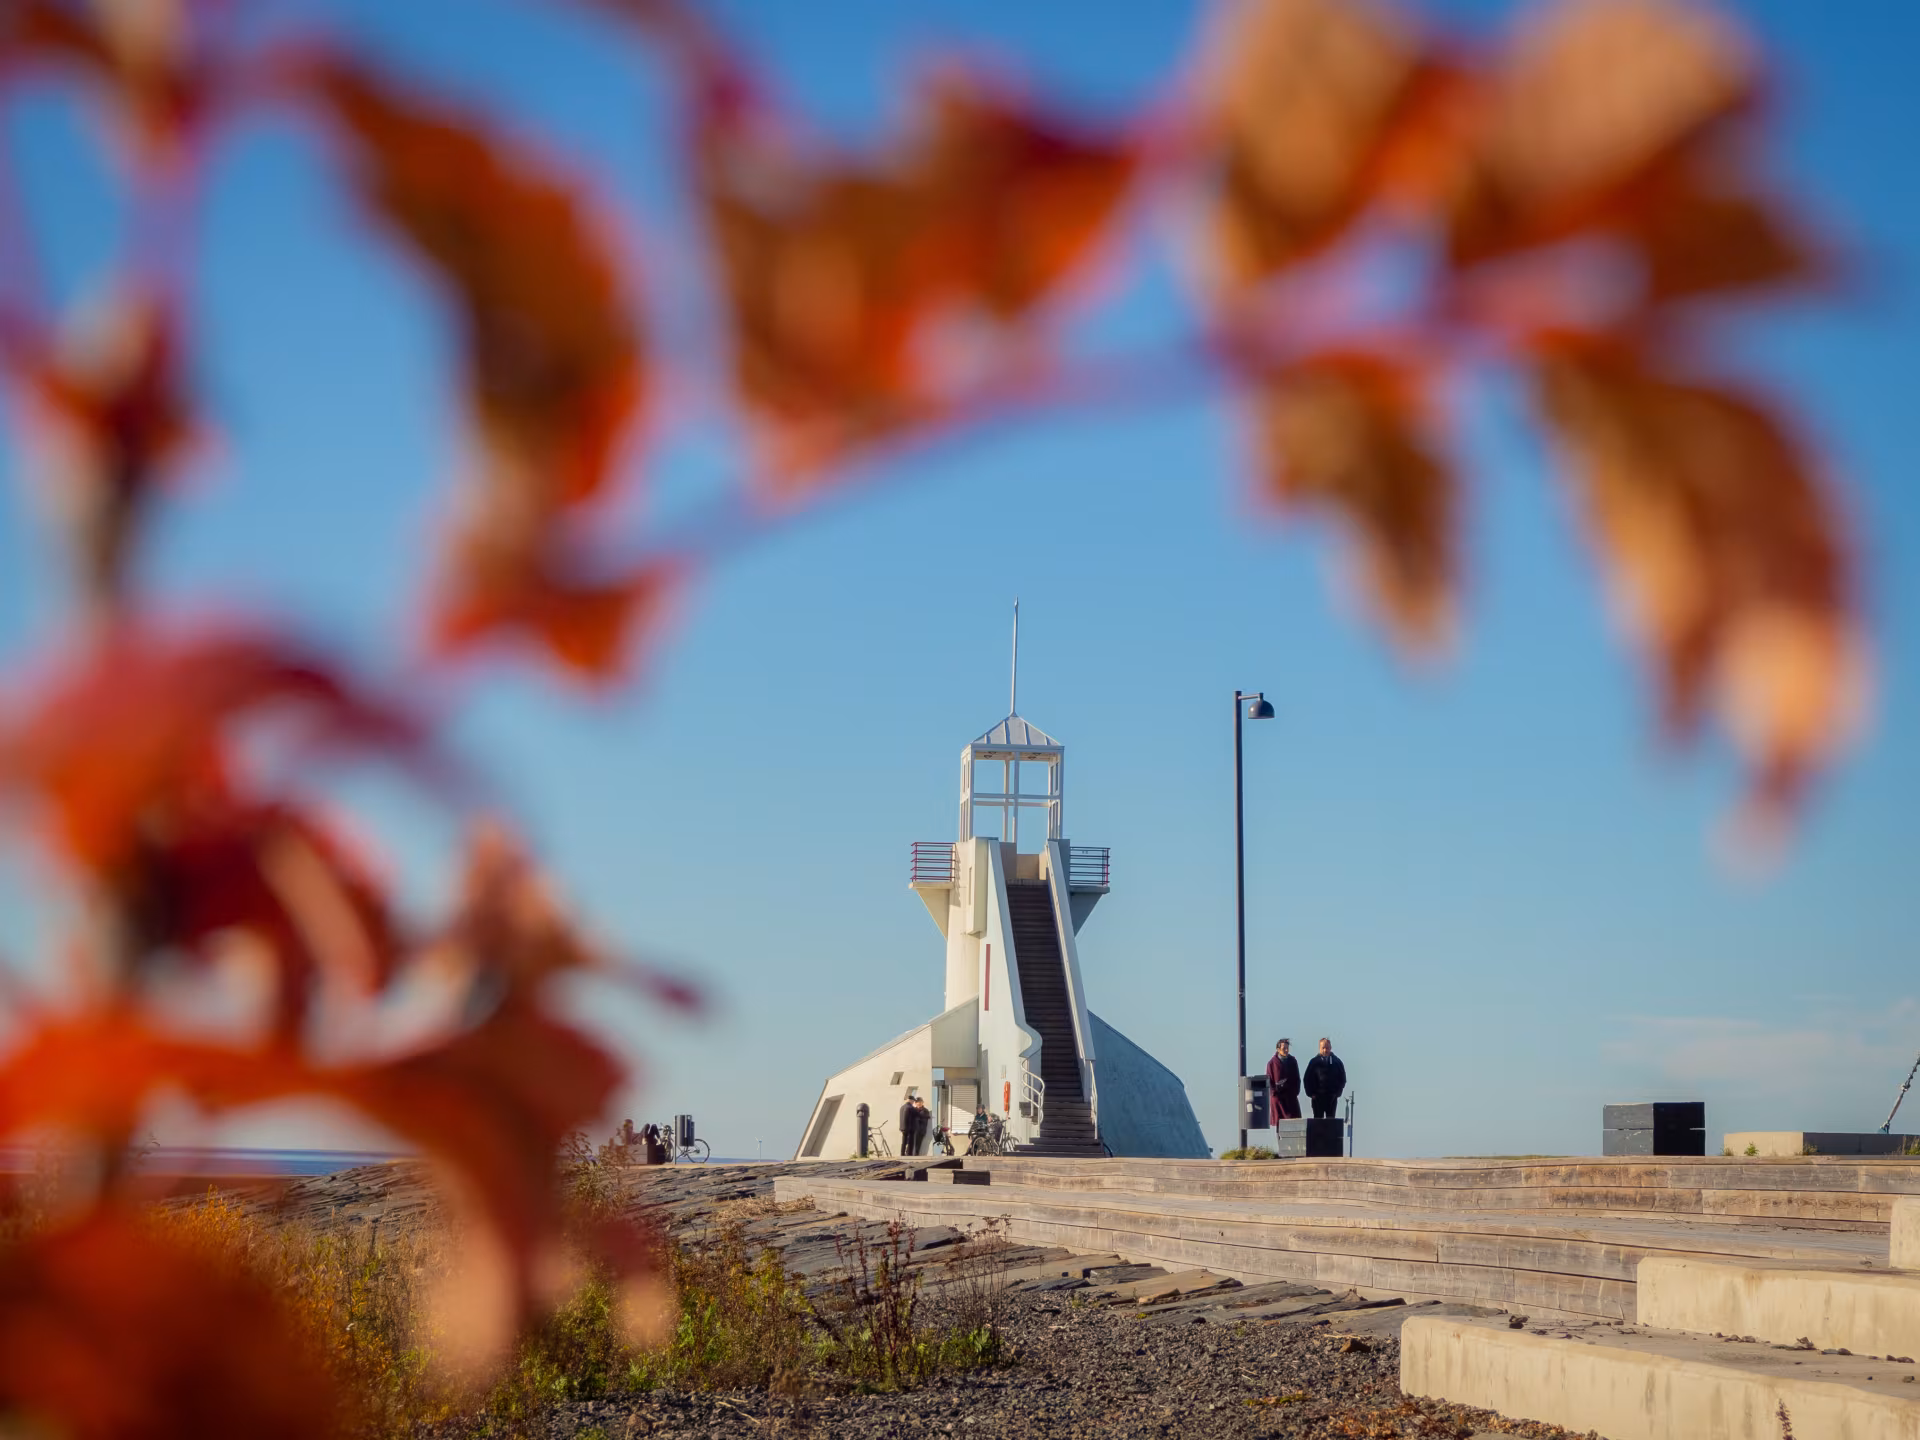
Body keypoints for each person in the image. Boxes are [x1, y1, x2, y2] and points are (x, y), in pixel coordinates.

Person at [1303, 1037, 1346, 1120]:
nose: (1325, 1050)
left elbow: (1342, 1078)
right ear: (1319, 1048)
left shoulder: (1337, 1062)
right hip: (1317, 1097)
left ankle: (1330, 1133)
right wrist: (1311, 1094)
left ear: (1330, 1048)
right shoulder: (1314, 1062)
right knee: (1318, 1120)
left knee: (1330, 1121)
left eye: (1327, 1048)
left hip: (1331, 1097)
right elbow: (1307, 1079)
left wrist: (1337, 1093)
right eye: (1323, 1048)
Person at [1266, 1038, 1301, 1125]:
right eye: (1283, 1048)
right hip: (1278, 1099)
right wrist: (1274, 1092)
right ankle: (1280, 1138)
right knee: (1280, 1123)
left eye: (1287, 1048)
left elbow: (1297, 1078)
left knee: (1293, 1122)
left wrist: (1295, 1091)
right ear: (1278, 1049)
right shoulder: (1271, 1063)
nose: (1286, 1050)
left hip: (1291, 1097)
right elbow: (1269, 1081)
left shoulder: (1292, 1061)